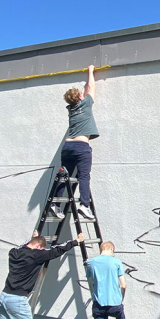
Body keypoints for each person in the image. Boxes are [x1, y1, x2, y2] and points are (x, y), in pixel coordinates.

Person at [53, 65, 99, 222]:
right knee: (83, 176)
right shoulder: (86, 104)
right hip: (81, 147)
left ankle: (55, 204)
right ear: (80, 97)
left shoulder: (71, 109)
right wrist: (90, 71)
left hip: (67, 147)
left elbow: (86, 90)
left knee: (63, 176)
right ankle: (85, 205)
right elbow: (90, 86)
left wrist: (82, 90)